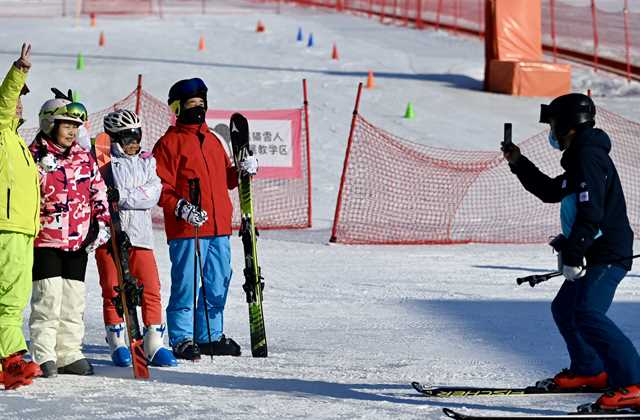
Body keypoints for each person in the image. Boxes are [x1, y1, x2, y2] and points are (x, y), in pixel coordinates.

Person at [503, 93, 640, 410]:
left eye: (552, 123)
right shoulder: (581, 157)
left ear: (566, 124)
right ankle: (589, 371)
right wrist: (518, 162)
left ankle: (634, 383)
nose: (551, 131)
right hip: (593, 249)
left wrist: (575, 249)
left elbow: (591, 210)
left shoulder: (588, 157)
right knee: (565, 308)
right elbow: (552, 191)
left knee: (588, 314)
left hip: (606, 252)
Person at [153, 78, 257, 360]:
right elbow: (158, 186)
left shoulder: (213, 140)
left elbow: (228, 179)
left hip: (219, 226)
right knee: (186, 283)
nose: (197, 109)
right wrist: (181, 207)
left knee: (217, 282)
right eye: (191, 105)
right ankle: (182, 337)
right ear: (178, 108)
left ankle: (209, 335)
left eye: (201, 104)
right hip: (188, 228)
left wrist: (243, 170)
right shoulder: (168, 144)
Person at [29, 94, 111, 378]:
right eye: (66, 126)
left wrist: (100, 224)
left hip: (78, 238)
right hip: (46, 239)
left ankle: (69, 352)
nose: (72, 132)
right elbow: (26, 193)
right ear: (50, 124)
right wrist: (40, 170)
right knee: (48, 297)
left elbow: (98, 191)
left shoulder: (83, 156)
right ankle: (44, 354)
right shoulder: (35, 155)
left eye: (76, 127)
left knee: (73, 298)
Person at [96, 109, 176, 368]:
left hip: (140, 236)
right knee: (112, 288)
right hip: (109, 235)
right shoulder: (103, 162)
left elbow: (152, 194)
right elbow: (100, 191)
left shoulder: (147, 162)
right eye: (127, 138)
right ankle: (118, 341)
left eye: (136, 136)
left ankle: (154, 342)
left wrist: (123, 196)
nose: (134, 143)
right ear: (114, 138)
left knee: (150, 288)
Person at [0, 43, 43, 390]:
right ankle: (13, 357)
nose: (19, 102)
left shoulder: (17, 143)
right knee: (6, 296)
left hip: (24, 230)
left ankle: (11, 359)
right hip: (5, 226)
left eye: (21, 98)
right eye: (16, 96)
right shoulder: (0, 133)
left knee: (15, 298)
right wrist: (18, 71)